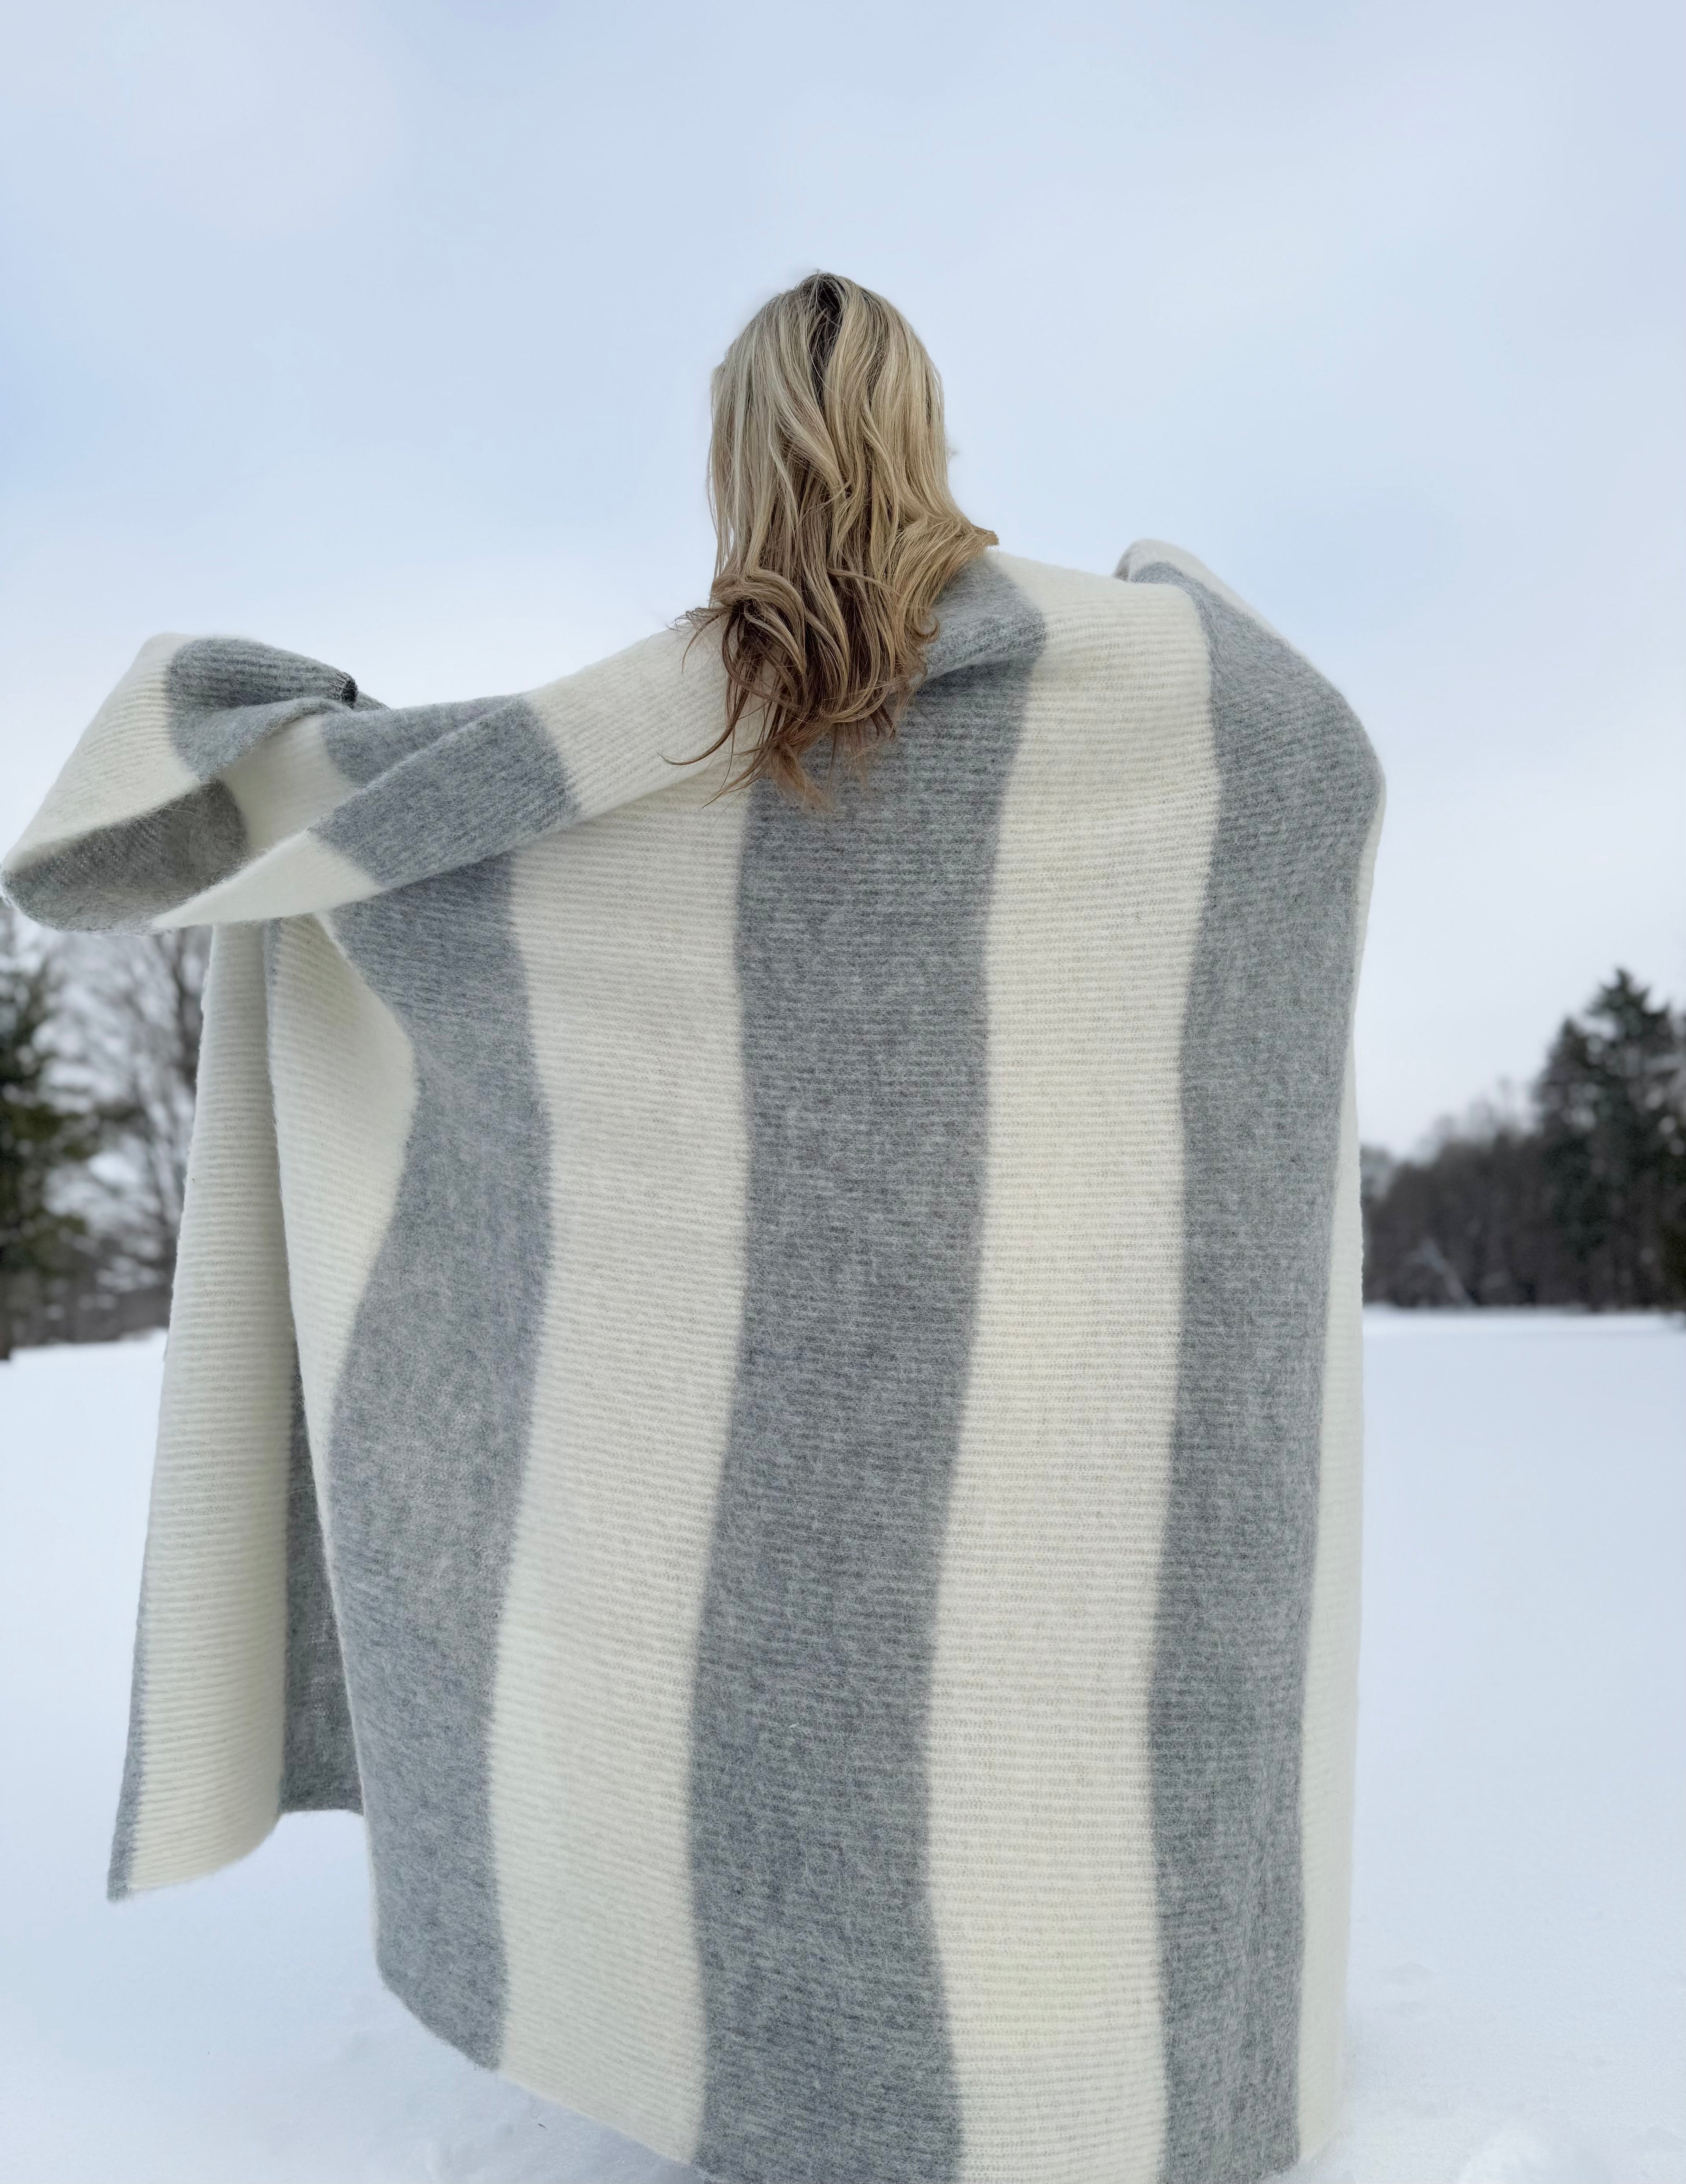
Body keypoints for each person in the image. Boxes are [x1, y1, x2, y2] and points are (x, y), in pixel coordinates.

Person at [3, 272, 1384, 2184]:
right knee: (1044, 1736)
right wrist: (1180, 588)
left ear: (732, 456)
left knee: (769, 1727)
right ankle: (1086, 2093)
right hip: (1059, 1411)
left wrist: (268, 751)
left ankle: (791, 2092)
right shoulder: (1157, 692)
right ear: (931, 425)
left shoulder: (639, 740)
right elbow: (1314, 766)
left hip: (778, 1443)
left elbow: (361, 819)